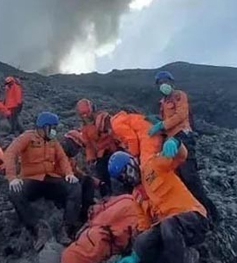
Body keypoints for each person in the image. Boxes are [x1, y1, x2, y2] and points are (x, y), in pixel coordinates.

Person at [108, 137, 210, 263]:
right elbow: (143, 226)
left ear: (133, 162)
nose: (129, 177)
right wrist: (136, 254)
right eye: (123, 178)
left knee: (168, 225)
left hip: (193, 220)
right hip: (171, 233)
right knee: (143, 241)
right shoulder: (137, 196)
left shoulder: (153, 166)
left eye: (128, 171)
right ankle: (188, 256)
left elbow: (179, 157)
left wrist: (176, 143)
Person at [147, 71, 220, 223]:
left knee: (190, 177)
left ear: (172, 82)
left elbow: (180, 115)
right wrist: (158, 124)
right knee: (181, 178)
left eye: (165, 81)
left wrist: (162, 124)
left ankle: (210, 216)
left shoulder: (179, 95)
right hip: (172, 140)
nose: (163, 84)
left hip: (183, 136)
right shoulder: (163, 103)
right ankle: (194, 213)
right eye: (160, 83)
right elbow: (167, 121)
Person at [5, 112, 81, 250]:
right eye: (53, 127)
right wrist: (12, 178)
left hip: (49, 178)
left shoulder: (53, 140)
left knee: (74, 187)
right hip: (31, 180)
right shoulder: (27, 137)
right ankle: (37, 228)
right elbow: (10, 153)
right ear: (44, 127)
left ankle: (67, 227)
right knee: (14, 193)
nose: (54, 130)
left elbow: (62, 158)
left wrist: (69, 174)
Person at [61, 194, 149, 263]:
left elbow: (100, 207)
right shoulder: (141, 217)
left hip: (91, 231)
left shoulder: (127, 198)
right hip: (101, 241)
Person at [76, 99, 120, 196]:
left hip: (114, 149)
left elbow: (115, 131)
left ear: (92, 110)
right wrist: (90, 158)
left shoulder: (103, 117)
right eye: (82, 114)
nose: (85, 116)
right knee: (101, 173)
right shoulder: (85, 128)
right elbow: (89, 145)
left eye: (87, 113)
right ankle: (107, 195)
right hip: (102, 154)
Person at [60, 130, 101, 224]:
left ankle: (84, 214)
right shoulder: (56, 153)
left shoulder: (69, 159)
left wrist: (97, 182)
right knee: (76, 188)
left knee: (87, 182)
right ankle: (70, 223)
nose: (77, 151)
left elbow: (77, 172)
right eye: (77, 147)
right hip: (55, 185)